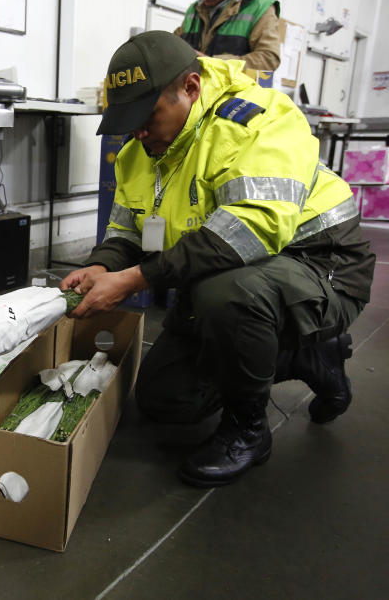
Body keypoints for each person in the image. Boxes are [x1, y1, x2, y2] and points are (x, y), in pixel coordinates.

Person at [61, 31, 374, 487]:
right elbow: (127, 230)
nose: (138, 132)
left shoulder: (257, 122)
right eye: (128, 120)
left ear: (190, 87)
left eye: (148, 115)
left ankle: (248, 431)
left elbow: (248, 230)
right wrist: (104, 264)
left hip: (322, 265)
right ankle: (307, 357)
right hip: (240, 276)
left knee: (224, 294)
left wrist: (134, 279)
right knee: (165, 401)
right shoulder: (141, 152)